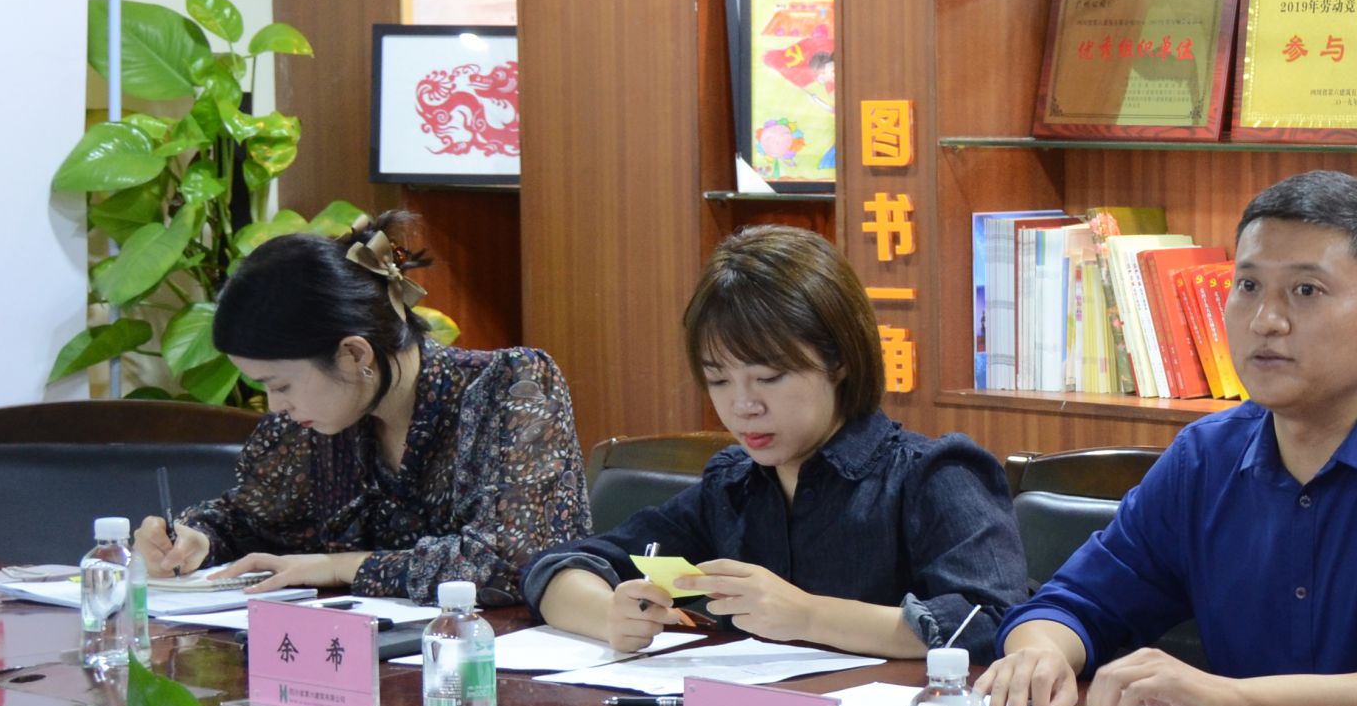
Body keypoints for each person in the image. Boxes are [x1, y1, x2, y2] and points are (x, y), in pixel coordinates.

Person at [979, 172, 1357, 706]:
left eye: (1306, 291)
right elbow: (1077, 602)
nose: (1266, 321)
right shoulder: (1206, 456)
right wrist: (1039, 653)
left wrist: (1231, 701)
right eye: (1249, 286)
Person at [526, 226, 1024, 660]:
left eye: (769, 377)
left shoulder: (933, 474)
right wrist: (611, 616)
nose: (743, 405)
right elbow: (554, 569)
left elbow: (993, 622)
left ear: (838, 360)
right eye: (719, 380)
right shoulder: (734, 486)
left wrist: (807, 615)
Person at [139, 215, 588, 603]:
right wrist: (196, 539)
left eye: (281, 385)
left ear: (354, 354)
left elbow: (513, 562)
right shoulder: (316, 424)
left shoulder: (510, 387)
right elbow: (249, 522)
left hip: (493, 659)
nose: (276, 406)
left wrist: (339, 566)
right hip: (368, 658)